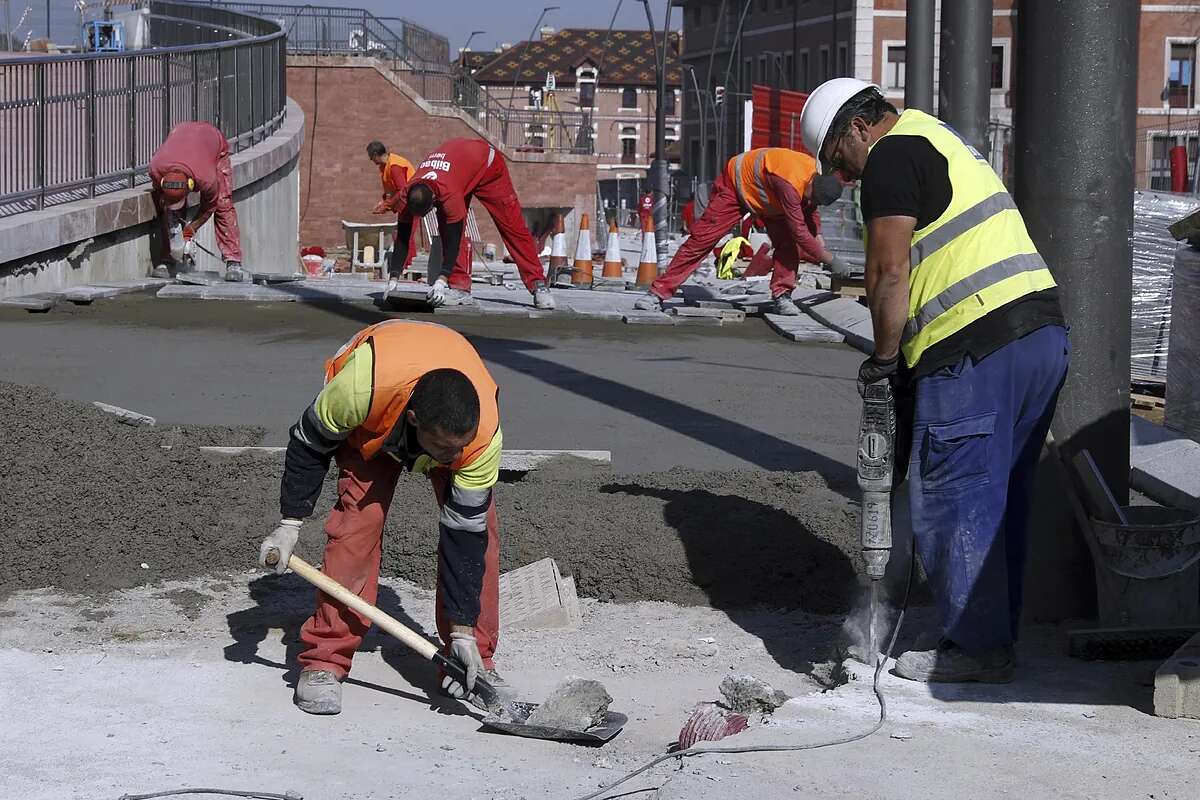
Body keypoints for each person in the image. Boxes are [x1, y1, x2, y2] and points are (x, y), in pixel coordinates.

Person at [800, 78, 1069, 683]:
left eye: (838, 159)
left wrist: (886, 362)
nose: (841, 177)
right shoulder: (938, 136)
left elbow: (889, 272)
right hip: (1040, 336)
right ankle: (985, 636)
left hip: (975, 343)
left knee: (955, 493)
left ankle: (974, 649)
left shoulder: (890, 157)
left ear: (858, 128)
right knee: (999, 498)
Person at [259, 320, 504, 714]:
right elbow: (308, 445)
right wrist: (290, 523)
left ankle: (472, 661)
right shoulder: (359, 390)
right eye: (443, 449)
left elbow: (466, 539)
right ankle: (325, 659)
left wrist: (462, 631)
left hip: (435, 411)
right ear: (414, 422)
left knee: (484, 538)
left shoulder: (481, 437)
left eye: (458, 450)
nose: (450, 460)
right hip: (374, 417)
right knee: (356, 526)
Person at [633, 148, 847, 316]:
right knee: (702, 239)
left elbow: (809, 210)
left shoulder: (814, 182)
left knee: (787, 244)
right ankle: (657, 293)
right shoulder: (790, 185)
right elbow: (800, 231)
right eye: (811, 198)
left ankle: (783, 295)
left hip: (767, 195)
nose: (810, 202)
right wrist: (829, 258)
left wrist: (818, 233)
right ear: (812, 184)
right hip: (737, 184)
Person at [390, 138, 556, 310]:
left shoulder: (449, 194)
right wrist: (393, 279)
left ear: (433, 199)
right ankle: (460, 288)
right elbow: (402, 237)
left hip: (488, 166)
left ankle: (538, 283)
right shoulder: (407, 192)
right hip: (460, 167)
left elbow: (453, 238)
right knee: (447, 226)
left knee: (511, 224)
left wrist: (441, 280)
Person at [149, 121, 244, 282]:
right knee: (169, 212)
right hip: (182, 133)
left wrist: (192, 228)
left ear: (192, 184)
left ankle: (233, 261)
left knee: (223, 204)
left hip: (212, 141)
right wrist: (175, 231)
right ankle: (169, 258)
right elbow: (162, 202)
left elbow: (210, 206)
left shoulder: (206, 178)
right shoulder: (156, 168)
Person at [366, 141, 420, 279]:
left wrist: (387, 205)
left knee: (404, 238)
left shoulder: (395, 166)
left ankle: (407, 269)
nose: (371, 160)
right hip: (406, 205)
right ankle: (407, 269)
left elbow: (403, 190)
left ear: (376, 155)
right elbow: (391, 190)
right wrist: (384, 202)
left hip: (412, 204)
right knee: (402, 237)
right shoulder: (385, 167)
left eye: (371, 157)